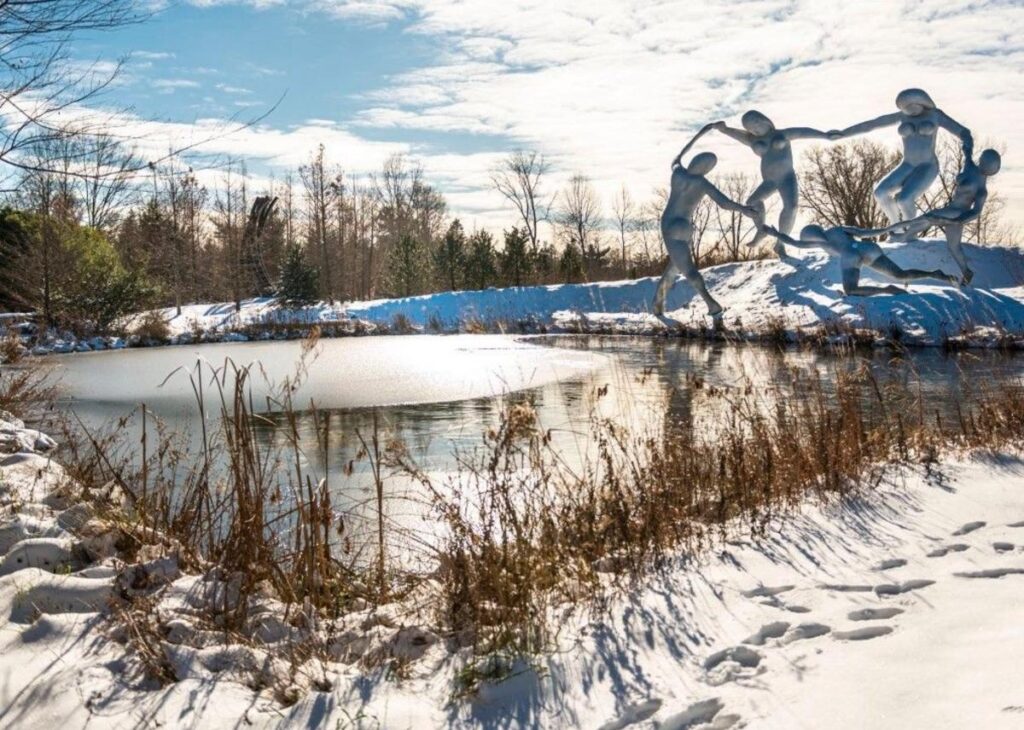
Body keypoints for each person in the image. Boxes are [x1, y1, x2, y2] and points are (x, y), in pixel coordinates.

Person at [832, 88, 971, 230]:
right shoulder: (902, 116)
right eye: (906, 109)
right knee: (880, 193)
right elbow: (871, 125)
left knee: (905, 199)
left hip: (927, 166)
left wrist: (968, 153)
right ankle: (896, 228)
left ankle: (910, 232)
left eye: (913, 107)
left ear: (922, 103)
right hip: (907, 165)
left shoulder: (935, 115)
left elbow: (963, 131)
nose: (910, 112)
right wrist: (842, 133)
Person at [709, 110, 835, 256]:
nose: (754, 130)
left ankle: (780, 244)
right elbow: (737, 135)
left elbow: (803, 132)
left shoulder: (782, 134)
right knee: (752, 202)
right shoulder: (752, 139)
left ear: (764, 120)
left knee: (791, 207)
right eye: (749, 128)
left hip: (786, 178)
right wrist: (724, 129)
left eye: (755, 124)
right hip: (769, 181)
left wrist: (825, 135)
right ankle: (761, 230)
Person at [885, 131, 1001, 285]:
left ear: (989, 167)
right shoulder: (971, 167)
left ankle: (903, 237)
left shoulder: (981, 189)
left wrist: (959, 220)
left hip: (957, 213)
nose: (981, 161)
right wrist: (966, 141)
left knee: (928, 218)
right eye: (982, 159)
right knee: (954, 247)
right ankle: (967, 272)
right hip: (952, 209)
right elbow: (967, 152)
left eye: (985, 161)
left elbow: (976, 211)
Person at [654, 151, 758, 316]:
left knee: (687, 269)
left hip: (670, 226)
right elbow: (724, 203)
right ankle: (657, 303)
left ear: (694, 161)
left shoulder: (678, 173)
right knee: (675, 266)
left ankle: (711, 304)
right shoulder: (703, 183)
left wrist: (683, 152)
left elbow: (675, 160)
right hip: (685, 227)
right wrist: (743, 209)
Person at [760, 223, 959, 297]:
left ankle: (887, 290)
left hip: (851, 256)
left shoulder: (822, 243)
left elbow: (795, 243)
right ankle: (935, 274)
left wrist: (774, 233)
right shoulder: (837, 229)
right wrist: (890, 229)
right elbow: (865, 232)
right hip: (868, 248)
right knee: (900, 274)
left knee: (851, 290)